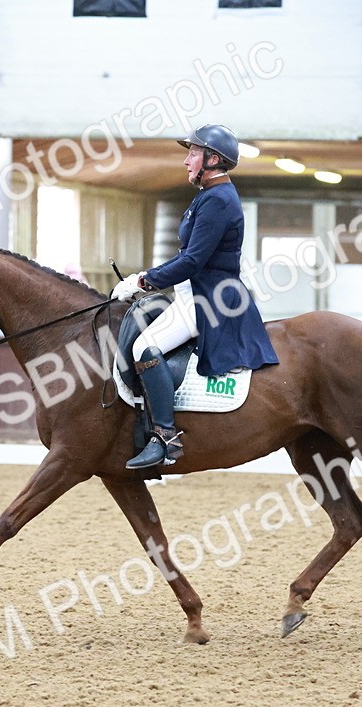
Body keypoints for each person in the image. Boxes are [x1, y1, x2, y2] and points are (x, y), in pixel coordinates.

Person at [111, 123, 279, 469]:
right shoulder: (207, 195)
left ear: (213, 159)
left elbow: (192, 261)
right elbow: (186, 257)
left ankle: (165, 438)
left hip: (208, 301)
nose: (186, 161)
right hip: (193, 293)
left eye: (193, 154)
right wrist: (146, 277)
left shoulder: (218, 200)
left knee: (144, 348)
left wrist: (144, 281)